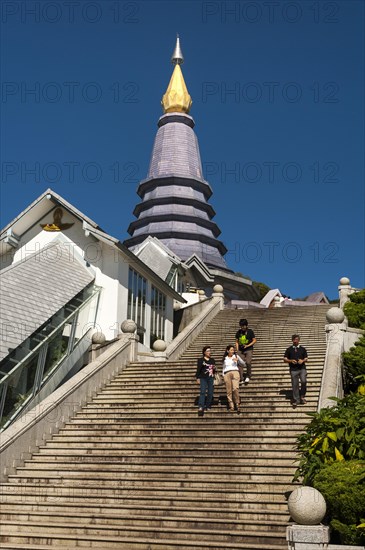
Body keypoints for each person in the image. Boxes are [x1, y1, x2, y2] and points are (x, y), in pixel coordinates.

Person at [284, 334, 308, 408]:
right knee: (295, 385)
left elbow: (306, 358)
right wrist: (290, 361)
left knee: (304, 381)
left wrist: (302, 360)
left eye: (297, 339)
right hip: (293, 369)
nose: (295, 341)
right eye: (294, 339)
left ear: (299, 340)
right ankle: (296, 400)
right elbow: (285, 359)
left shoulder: (303, 349)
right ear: (292, 340)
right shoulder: (289, 349)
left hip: (302, 368)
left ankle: (302, 396)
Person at [222, 345, 245, 414]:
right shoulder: (225, 358)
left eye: (233, 350)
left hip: (235, 372)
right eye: (231, 350)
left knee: (235, 388)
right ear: (227, 351)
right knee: (228, 390)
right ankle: (231, 405)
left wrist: (238, 361)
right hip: (227, 373)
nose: (233, 351)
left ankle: (237, 404)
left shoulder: (236, 356)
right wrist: (223, 375)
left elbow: (243, 364)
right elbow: (223, 367)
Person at [195, 345, 216, 416]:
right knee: (202, 392)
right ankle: (201, 406)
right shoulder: (200, 360)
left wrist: (214, 368)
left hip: (211, 378)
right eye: (208, 351)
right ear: (204, 352)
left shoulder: (212, 360)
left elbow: (214, 370)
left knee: (210, 392)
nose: (209, 352)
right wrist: (197, 378)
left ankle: (208, 405)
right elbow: (198, 369)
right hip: (203, 378)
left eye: (210, 351)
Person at [235, 319, 257, 384]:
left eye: (243, 326)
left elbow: (254, 340)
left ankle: (248, 375)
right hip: (240, 350)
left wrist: (248, 345)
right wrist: (237, 349)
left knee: (248, 362)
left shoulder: (250, 331)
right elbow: (236, 341)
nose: (242, 327)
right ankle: (241, 378)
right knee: (240, 364)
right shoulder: (238, 332)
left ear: (246, 325)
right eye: (241, 326)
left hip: (249, 349)